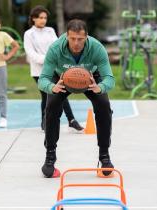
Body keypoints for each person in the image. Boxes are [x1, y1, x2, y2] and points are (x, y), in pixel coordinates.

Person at [38, 19, 115, 178]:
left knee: (104, 105)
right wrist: (52, 87)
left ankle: (104, 156)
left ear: (87, 37)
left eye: (80, 39)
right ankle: (50, 156)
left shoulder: (97, 48)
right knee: (51, 107)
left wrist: (100, 87)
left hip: (91, 78)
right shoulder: (55, 49)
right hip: (61, 78)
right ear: (66, 36)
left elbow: (109, 78)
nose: (76, 43)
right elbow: (43, 79)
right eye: (72, 38)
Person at [24, 5, 84, 132]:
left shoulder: (50, 30)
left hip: (55, 69)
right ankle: (48, 122)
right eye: (40, 17)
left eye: (45, 18)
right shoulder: (28, 34)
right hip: (38, 71)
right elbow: (31, 53)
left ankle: (68, 120)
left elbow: (57, 46)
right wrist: (49, 59)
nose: (43, 20)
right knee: (46, 95)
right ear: (33, 19)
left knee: (59, 93)